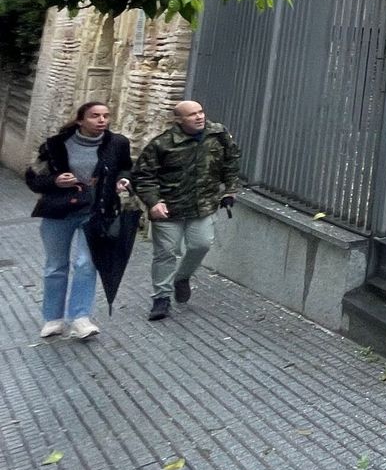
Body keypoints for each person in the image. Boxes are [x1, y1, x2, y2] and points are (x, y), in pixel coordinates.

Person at [23, 101, 133, 340]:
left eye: (105, 116)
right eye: (95, 116)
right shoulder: (55, 144)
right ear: (80, 120)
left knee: (86, 263)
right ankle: (53, 319)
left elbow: (126, 168)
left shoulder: (117, 143)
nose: (102, 120)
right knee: (55, 266)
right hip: (59, 212)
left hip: (95, 211)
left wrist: (123, 181)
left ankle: (80, 318)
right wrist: (55, 181)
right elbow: (32, 178)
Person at [133, 100, 240, 321]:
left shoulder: (218, 134)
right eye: (192, 115)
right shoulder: (162, 144)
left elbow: (231, 161)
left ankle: (182, 277)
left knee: (201, 244)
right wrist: (153, 202)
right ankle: (161, 298)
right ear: (179, 120)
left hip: (203, 205)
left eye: (201, 111)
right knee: (166, 252)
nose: (199, 117)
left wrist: (230, 190)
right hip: (169, 208)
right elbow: (143, 176)